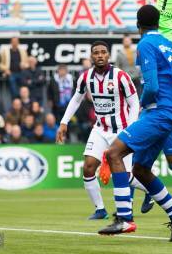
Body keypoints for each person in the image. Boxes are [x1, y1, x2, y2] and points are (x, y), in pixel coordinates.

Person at [97, 5, 172, 241]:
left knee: (113, 153)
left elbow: (152, 87)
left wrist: (143, 102)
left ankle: (124, 218)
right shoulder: (168, 44)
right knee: (140, 170)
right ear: (158, 23)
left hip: (158, 112)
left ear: (138, 25)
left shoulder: (144, 44)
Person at [56, 41, 140, 220]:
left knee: (126, 175)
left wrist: (132, 127)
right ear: (91, 56)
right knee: (88, 167)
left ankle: (151, 192)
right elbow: (76, 100)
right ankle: (100, 209)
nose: (100, 55)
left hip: (121, 130)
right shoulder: (85, 77)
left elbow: (134, 102)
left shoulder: (121, 76)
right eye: (96, 53)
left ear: (108, 55)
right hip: (100, 129)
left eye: (103, 52)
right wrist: (64, 122)